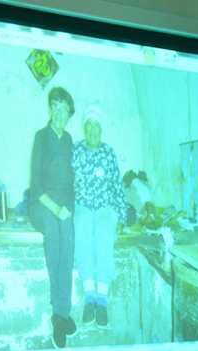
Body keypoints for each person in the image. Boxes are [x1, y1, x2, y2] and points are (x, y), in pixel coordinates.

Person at [72, 105, 129, 328]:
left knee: (105, 232)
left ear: (101, 129)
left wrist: (122, 217)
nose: (93, 130)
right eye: (89, 125)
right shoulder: (76, 151)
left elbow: (117, 186)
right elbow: (67, 182)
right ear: (84, 128)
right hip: (83, 206)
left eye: (96, 125)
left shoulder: (109, 152)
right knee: (82, 226)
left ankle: (102, 300)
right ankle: (89, 297)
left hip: (106, 207)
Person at [29, 86, 77, 349]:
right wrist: (56, 209)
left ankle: (60, 314)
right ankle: (61, 312)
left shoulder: (69, 140)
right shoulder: (41, 137)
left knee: (69, 237)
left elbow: (71, 183)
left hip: (63, 205)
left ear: (69, 115)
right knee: (54, 236)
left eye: (64, 109)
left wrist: (67, 208)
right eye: (56, 106)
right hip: (42, 204)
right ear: (50, 109)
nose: (59, 112)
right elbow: (36, 188)